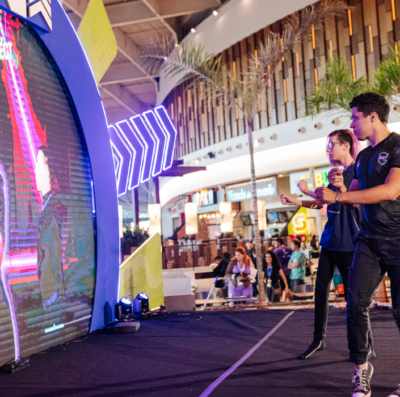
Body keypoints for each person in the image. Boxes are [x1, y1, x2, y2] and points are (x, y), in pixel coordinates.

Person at [314, 92, 400, 397]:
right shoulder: (362, 158)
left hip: (398, 239)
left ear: (372, 117)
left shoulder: (398, 147)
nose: (352, 124)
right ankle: (361, 371)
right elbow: (351, 198)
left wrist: (340, 195)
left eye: (355, 117)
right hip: (368, 240)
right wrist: (336, 189)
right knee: (355, 304)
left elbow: (390, 191)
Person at [281, 128, 370, 361]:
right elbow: (322, 202)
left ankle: (365, 344)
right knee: (321, 292)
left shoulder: (358, 171)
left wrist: (341, 188)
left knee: (354, 298)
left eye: (332, 144)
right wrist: (297, 200)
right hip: (330, 242)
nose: (328, 149)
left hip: (351, 244)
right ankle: (318, 340)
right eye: (327, 145)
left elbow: (355, 203)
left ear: (346, 145)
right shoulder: (335, 172)